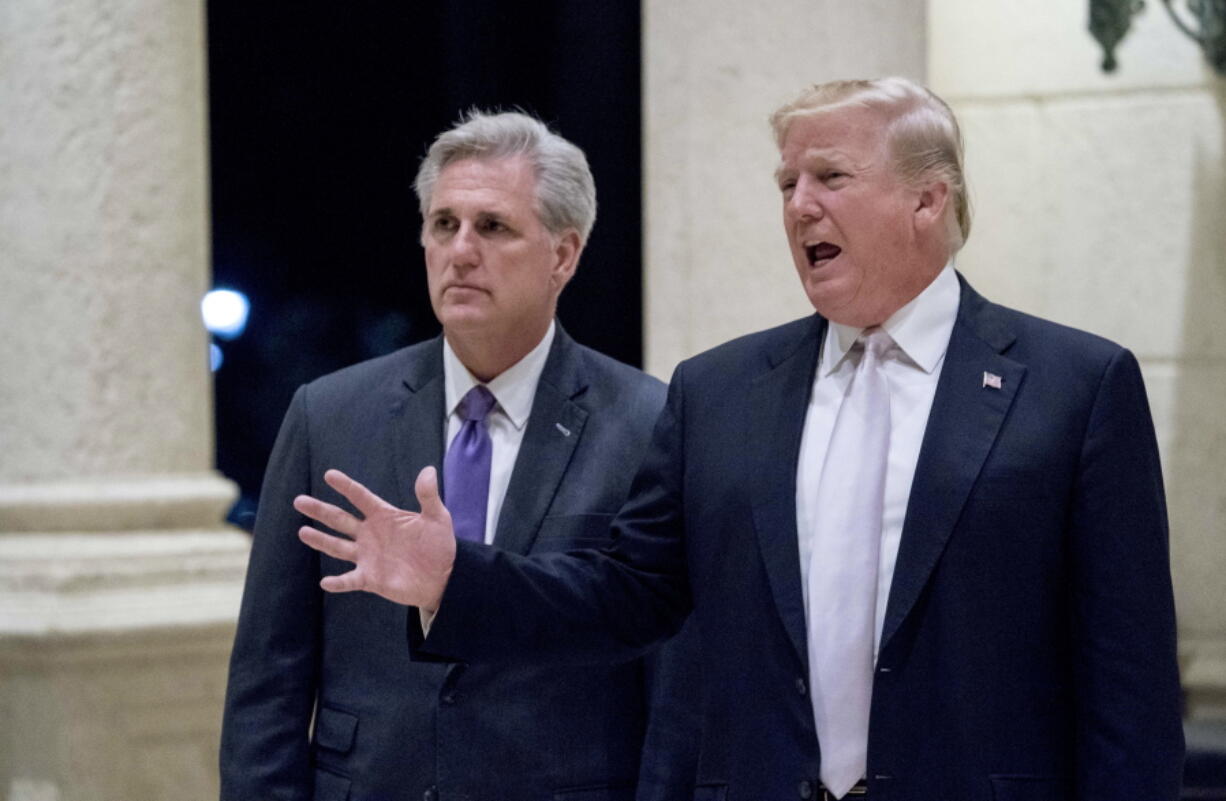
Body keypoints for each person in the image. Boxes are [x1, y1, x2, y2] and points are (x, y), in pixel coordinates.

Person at [296, 78, 1185, 801]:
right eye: (786, 184)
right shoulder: (720, 391)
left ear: (928, 197)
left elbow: (1129, 687)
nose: (799, 205)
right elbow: (626, 596)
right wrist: (462, 581)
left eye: (829, 177)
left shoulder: (1074, 386)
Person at [220, 110, 689, 801]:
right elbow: (268, 682)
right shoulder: (330, 414)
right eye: (444, 224)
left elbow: (673, 696)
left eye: (493, 226)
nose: (461, 250)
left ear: (564, 254)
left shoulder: (649, 421)